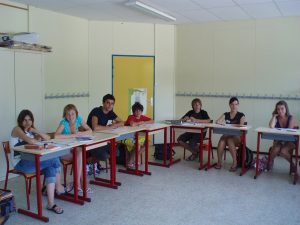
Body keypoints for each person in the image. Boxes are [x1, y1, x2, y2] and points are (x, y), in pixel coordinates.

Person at [10, 109, 69, 214]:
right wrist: (35, 138)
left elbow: (46, 137)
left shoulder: (31, 131)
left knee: (51, 168)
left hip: (33, 161)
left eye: (29, 120)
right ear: (20, 121)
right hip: (20, 164)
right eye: (24, 120)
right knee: (54, 159)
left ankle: (51, 203)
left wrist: (35, 131)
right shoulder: (17, 129)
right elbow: (31, 141)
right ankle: (59, 187)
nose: (27, 122)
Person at [55, 104, 93, 193]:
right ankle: (80, 185)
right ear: (65, 115)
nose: (70, 116)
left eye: (73, 114)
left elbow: (90, 131)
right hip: (63, 151)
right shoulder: (64, 123)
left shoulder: (78, 119)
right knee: (80, 157)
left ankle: (78, 185)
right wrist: (73, 135)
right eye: (68, 114)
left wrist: (79, 133)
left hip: (73, 149)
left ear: (76, 114)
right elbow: (56, 136)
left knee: (80, 154)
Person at [87, 94, 124, 169]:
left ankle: (92, 162)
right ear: (103, 103)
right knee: (104, 156)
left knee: (116, 152)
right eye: (108, 103)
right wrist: (110, 127)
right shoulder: (96, 111)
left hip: (102, 139)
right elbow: (95, 127)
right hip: (92, 141)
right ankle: (88, 162)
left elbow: (122, 122)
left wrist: (115, 125)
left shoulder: (110, 112)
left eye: (112, 103)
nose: (110, 105)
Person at [214, 97, 246, 172]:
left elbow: (241, 126)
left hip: (237, 137)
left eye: (236, 104)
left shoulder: (241, 115)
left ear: (238, 105)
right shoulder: (226, 114)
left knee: (229, 139)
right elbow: (217, 121)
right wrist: (221, 122)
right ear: (229, 105)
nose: (234, 106)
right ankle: (219, 162)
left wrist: (231, 125)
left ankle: (235, 162)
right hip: (227, 135)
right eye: (232, 104)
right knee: (222, 140)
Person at [268, 100, 297, 171]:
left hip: (291, 140)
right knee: (275, 149)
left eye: (282, 108)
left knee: (283, 151)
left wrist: (281, 142)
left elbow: (288, 133)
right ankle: (270, 162)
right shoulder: (276, 118)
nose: (280, 111)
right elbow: (271, 126)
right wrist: (273, 116)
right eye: (278, 109)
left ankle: (292, 165)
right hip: (279, 139)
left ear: (286, 109)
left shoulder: (291, 118)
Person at [124, 102, 154, 168]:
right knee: (138, 144)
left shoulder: (142, 117)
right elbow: (132, 124)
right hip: (128, 137)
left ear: (141, 111)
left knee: (148, 143)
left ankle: (132, 158)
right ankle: (131, 161)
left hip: (138, 136)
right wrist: (140, 122)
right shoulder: (131, 116)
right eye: (136, 110)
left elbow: (152, 121)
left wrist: (144, 122)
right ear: (133, 111)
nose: (138, 112)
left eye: (139, 110)